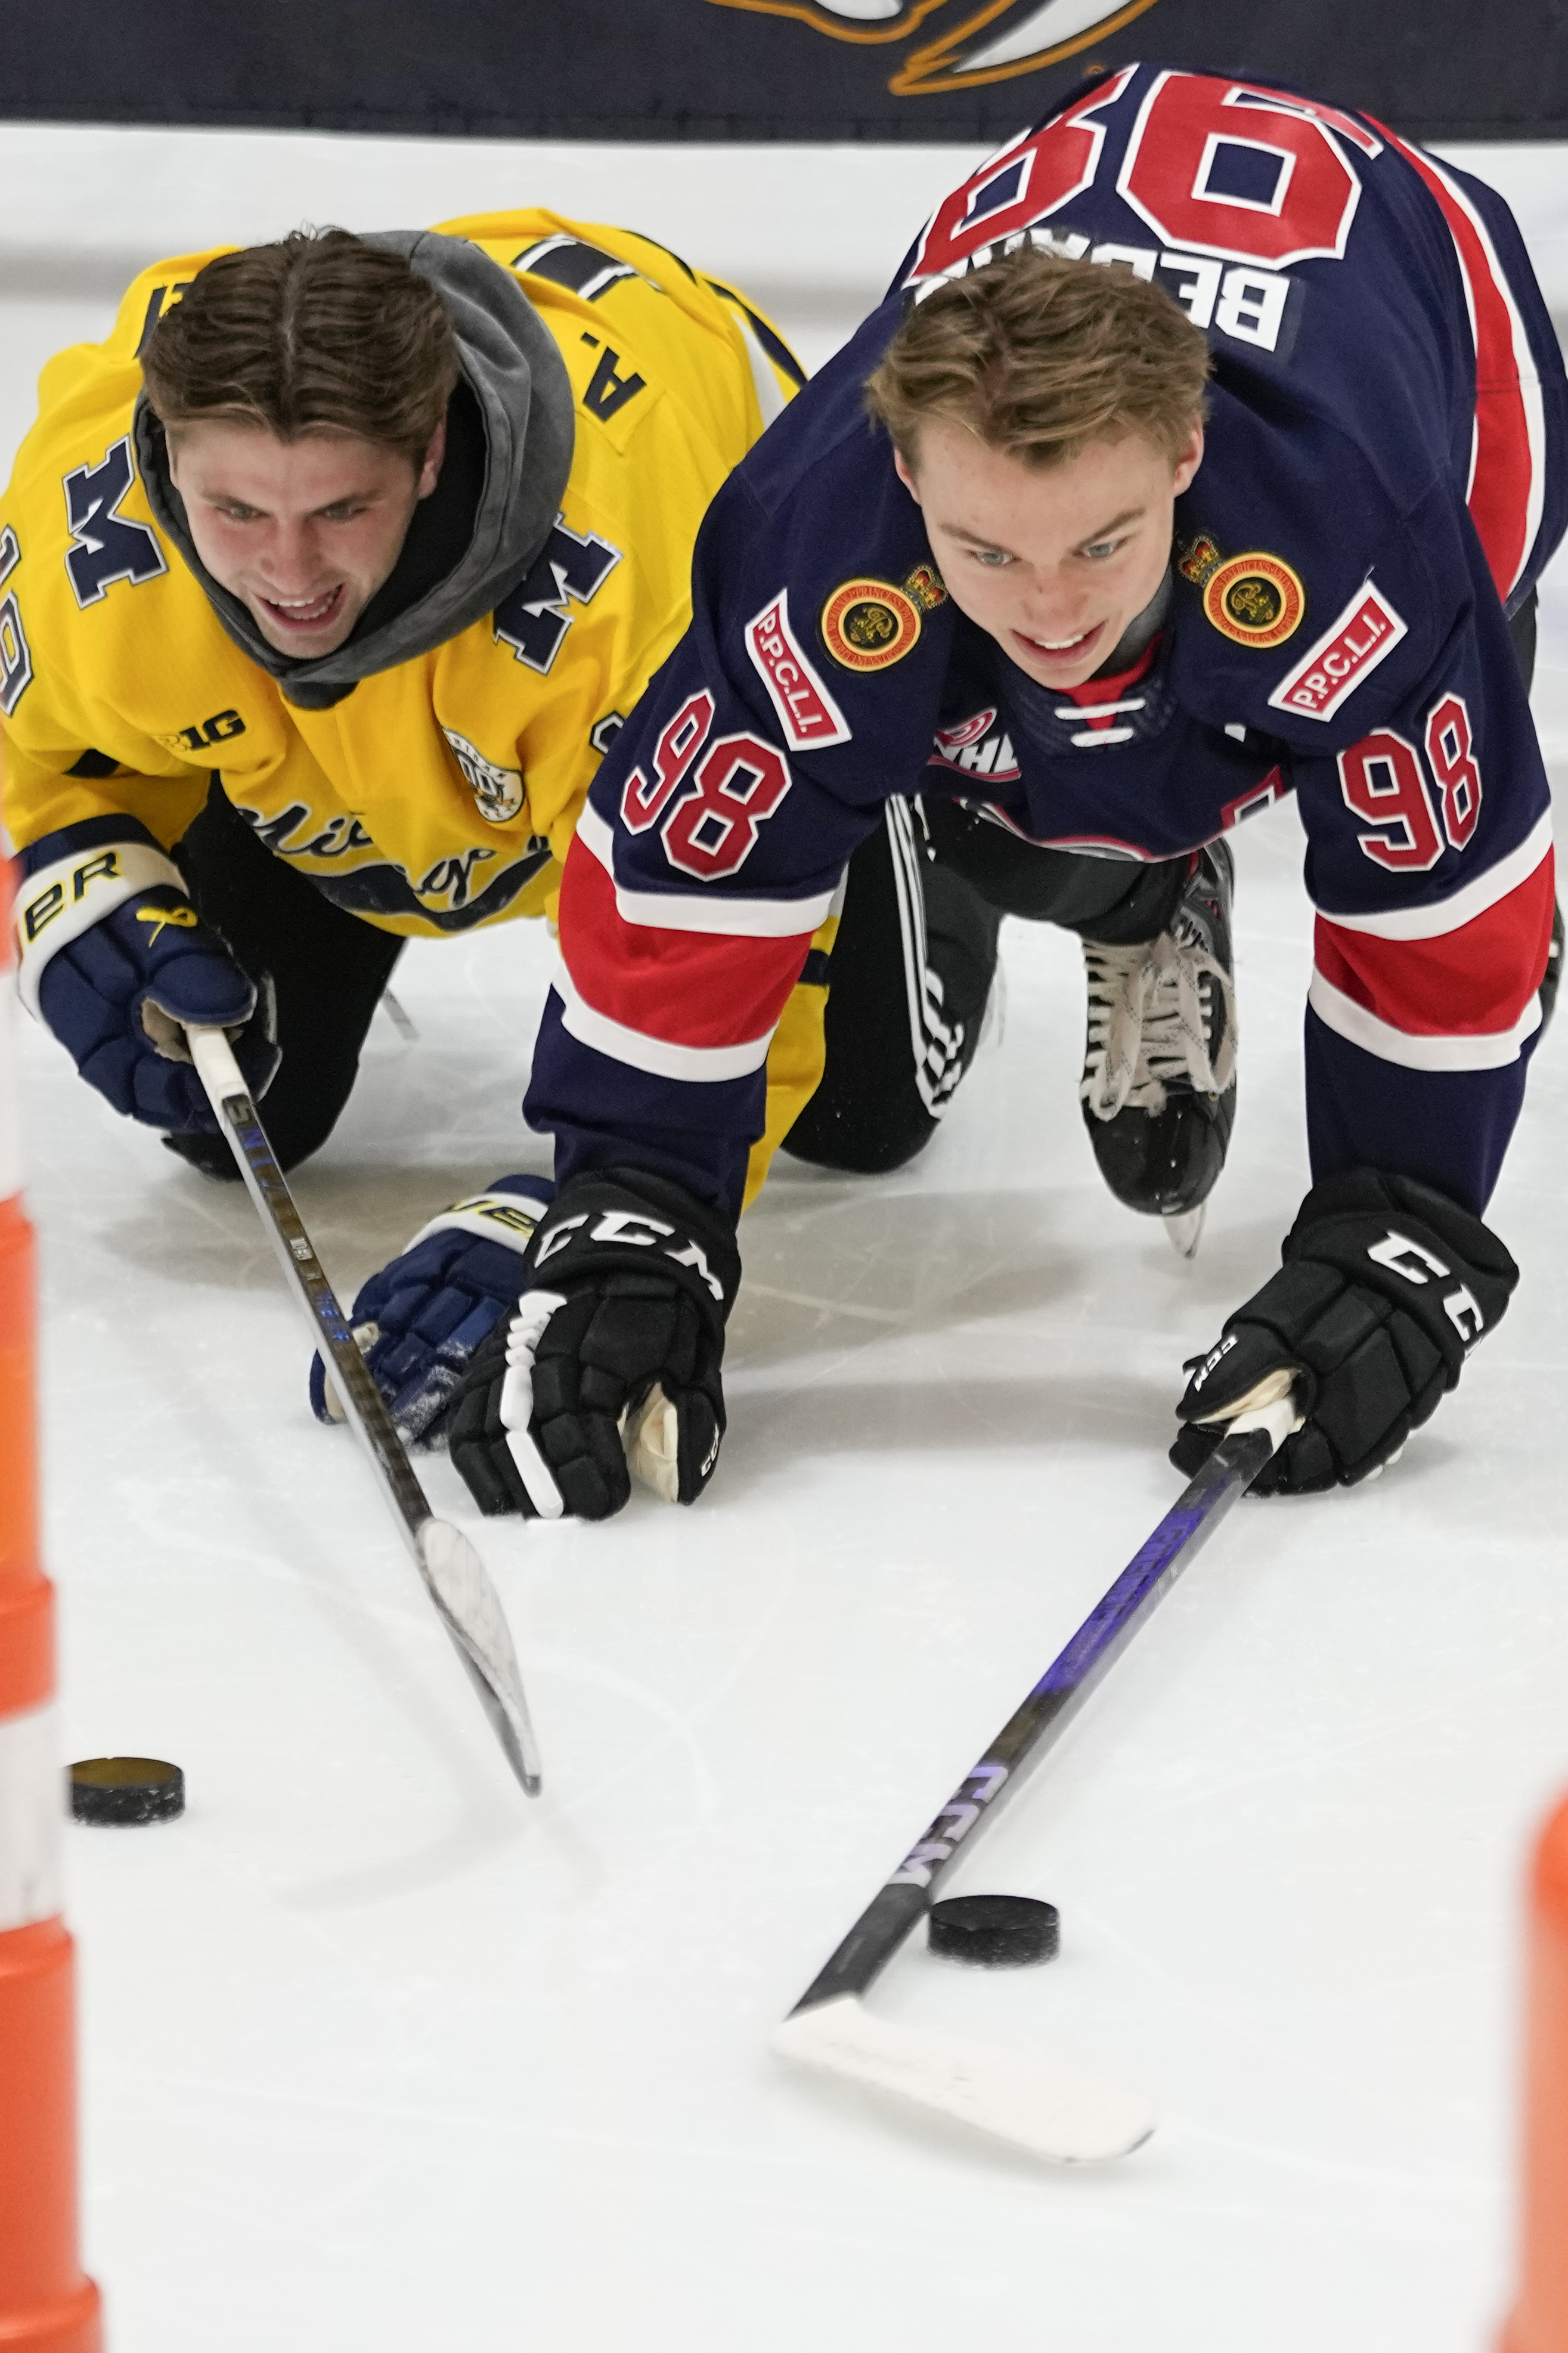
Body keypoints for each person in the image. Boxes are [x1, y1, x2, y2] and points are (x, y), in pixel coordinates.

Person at [400, 63, 1565, 1523]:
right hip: (1078, 495)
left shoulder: (1359, 541)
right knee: (988, 767)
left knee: (1427, 787)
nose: (1052, 610)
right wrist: (639, 1208)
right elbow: (684, 886)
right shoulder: (809, 545)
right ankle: (1147, 869)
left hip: (1418, 278)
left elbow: (1436, 901)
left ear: (1186, 448)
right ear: (900, 465)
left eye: (1099, 539)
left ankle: (1167, 824)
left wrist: (1398, 1223)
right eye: (987, 549)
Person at [1, 208, 812, 1289]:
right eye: (235, 509)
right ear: (164, 448)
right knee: (234, 1110)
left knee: (861, 1119)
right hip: (368, 798)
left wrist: (608, 1210)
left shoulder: (638, 606)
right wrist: (82, 875)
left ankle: (902, 841)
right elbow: (45, 757)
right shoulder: (90, 540)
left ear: (431, 451)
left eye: (342, 508)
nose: (288, 572)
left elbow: (712, 932)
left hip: (736, 687)